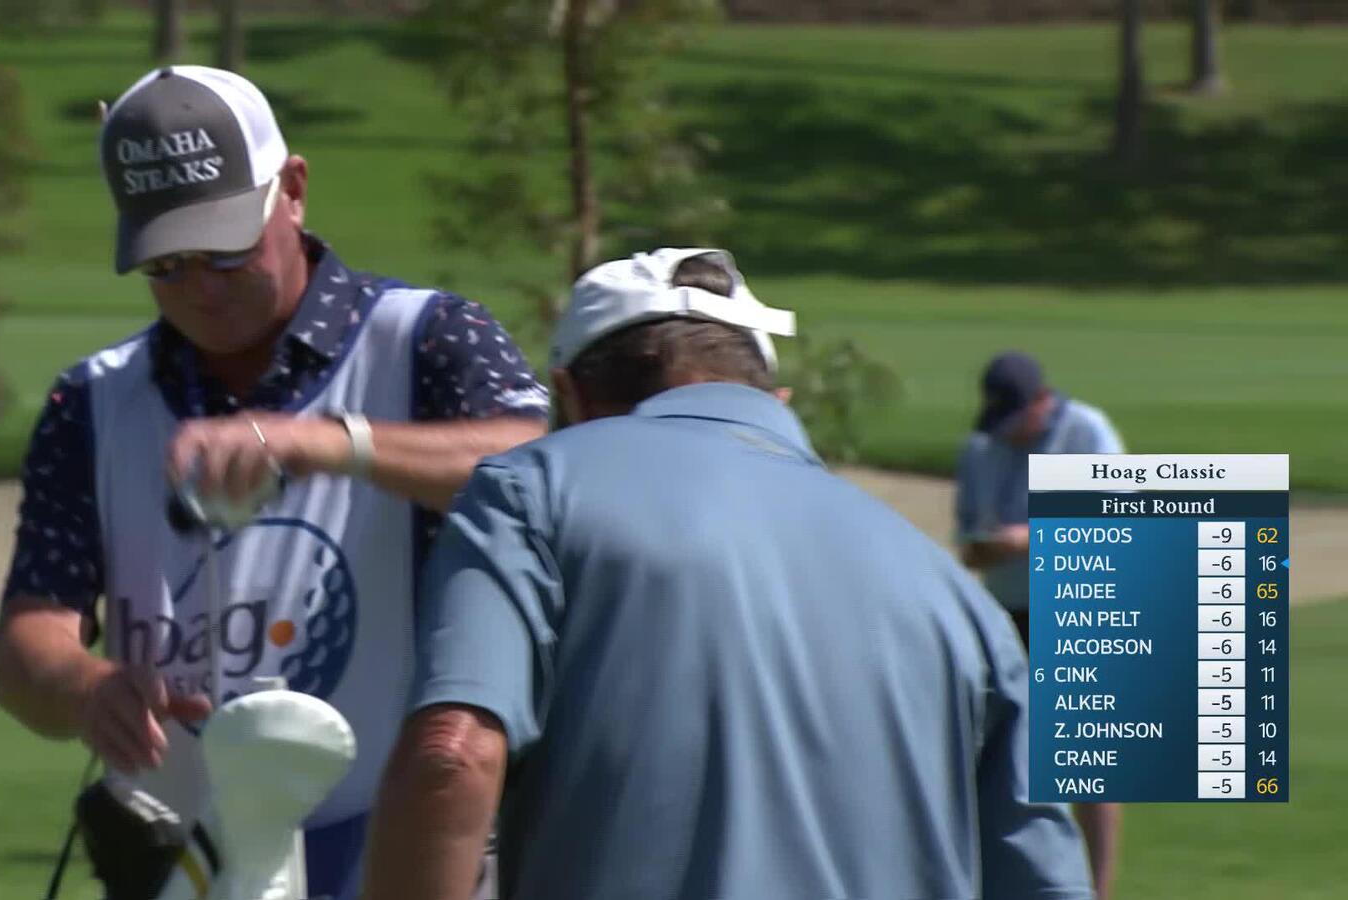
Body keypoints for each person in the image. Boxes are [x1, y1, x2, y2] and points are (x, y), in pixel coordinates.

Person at [361, 249, 1095, 900]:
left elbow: (452, 757)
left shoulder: (528, 491)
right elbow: (1047, 879)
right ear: (776, 401)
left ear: (571, 393)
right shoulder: (958, 601)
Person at [0, 65, 548, 899]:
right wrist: (85, 686)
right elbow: (27, 643)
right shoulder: (92, 400)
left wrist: (333, 443)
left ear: (292, 190)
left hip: (399, 854)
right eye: (167, 264)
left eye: (226, 251)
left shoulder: (427, 337)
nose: (201, 288)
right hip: (179, 865)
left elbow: (544, 477)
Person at [955, 350, 1126, 900]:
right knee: (999, 754)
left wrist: (1027, 538)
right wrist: (989, 548)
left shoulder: (1087, 432)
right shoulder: (980, 448)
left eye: (1014, 419)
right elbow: (968, 543)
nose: (1005, 433)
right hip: (1007, 616)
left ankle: (1097, 890)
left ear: (1041, 402)